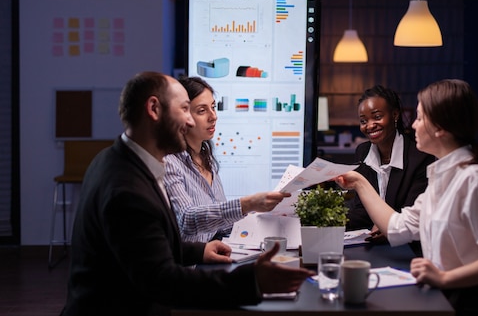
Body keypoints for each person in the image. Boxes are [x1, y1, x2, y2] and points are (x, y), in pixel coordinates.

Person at [61, 71, 313, 316]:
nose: (191, 121)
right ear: (154, 109)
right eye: (185, 109)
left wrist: (198, 252)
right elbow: (163, 282)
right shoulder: (127, 190)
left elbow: (145, 247)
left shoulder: (116, 159)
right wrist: (252, 282)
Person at [335, 79, 478, 316]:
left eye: (419, 117)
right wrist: (359, 182)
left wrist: (445, 277)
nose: (414, 125)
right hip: (446, 297)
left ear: (439, 127)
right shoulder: (442, 179)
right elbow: (398, 226)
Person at [164, 76, 289, 242]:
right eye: (202, 111)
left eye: (213, 107)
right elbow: (187, 220)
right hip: (189, 264)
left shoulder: (206, 159)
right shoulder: (169, 163)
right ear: (182, 116)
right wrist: (247, 204)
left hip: (210, 258)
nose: (213, 116)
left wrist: (266, 213)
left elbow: (221, 226)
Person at [346, 85, 435, 247]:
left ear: (395, 115)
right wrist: (329, 220)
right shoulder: (363, 152)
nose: (370, 125)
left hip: (409, 248)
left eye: (377, 117)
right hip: (371, 243)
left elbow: (412, 215)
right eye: (363, 121)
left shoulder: (420, 156)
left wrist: (387, 227)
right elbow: (361, 209)